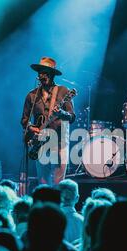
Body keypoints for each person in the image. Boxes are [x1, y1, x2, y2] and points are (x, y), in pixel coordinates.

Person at [21, 57, 75, 185]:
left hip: (59, 141)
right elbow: (24, 120)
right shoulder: (31, 95)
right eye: (40, 71)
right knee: (43, 182)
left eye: (45, 72)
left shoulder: (63, 91)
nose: (41, 74)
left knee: (58, 182)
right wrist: (31, 128)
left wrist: (60, 113)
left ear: (52, 74)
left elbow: (72, 117)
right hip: (41, 142)